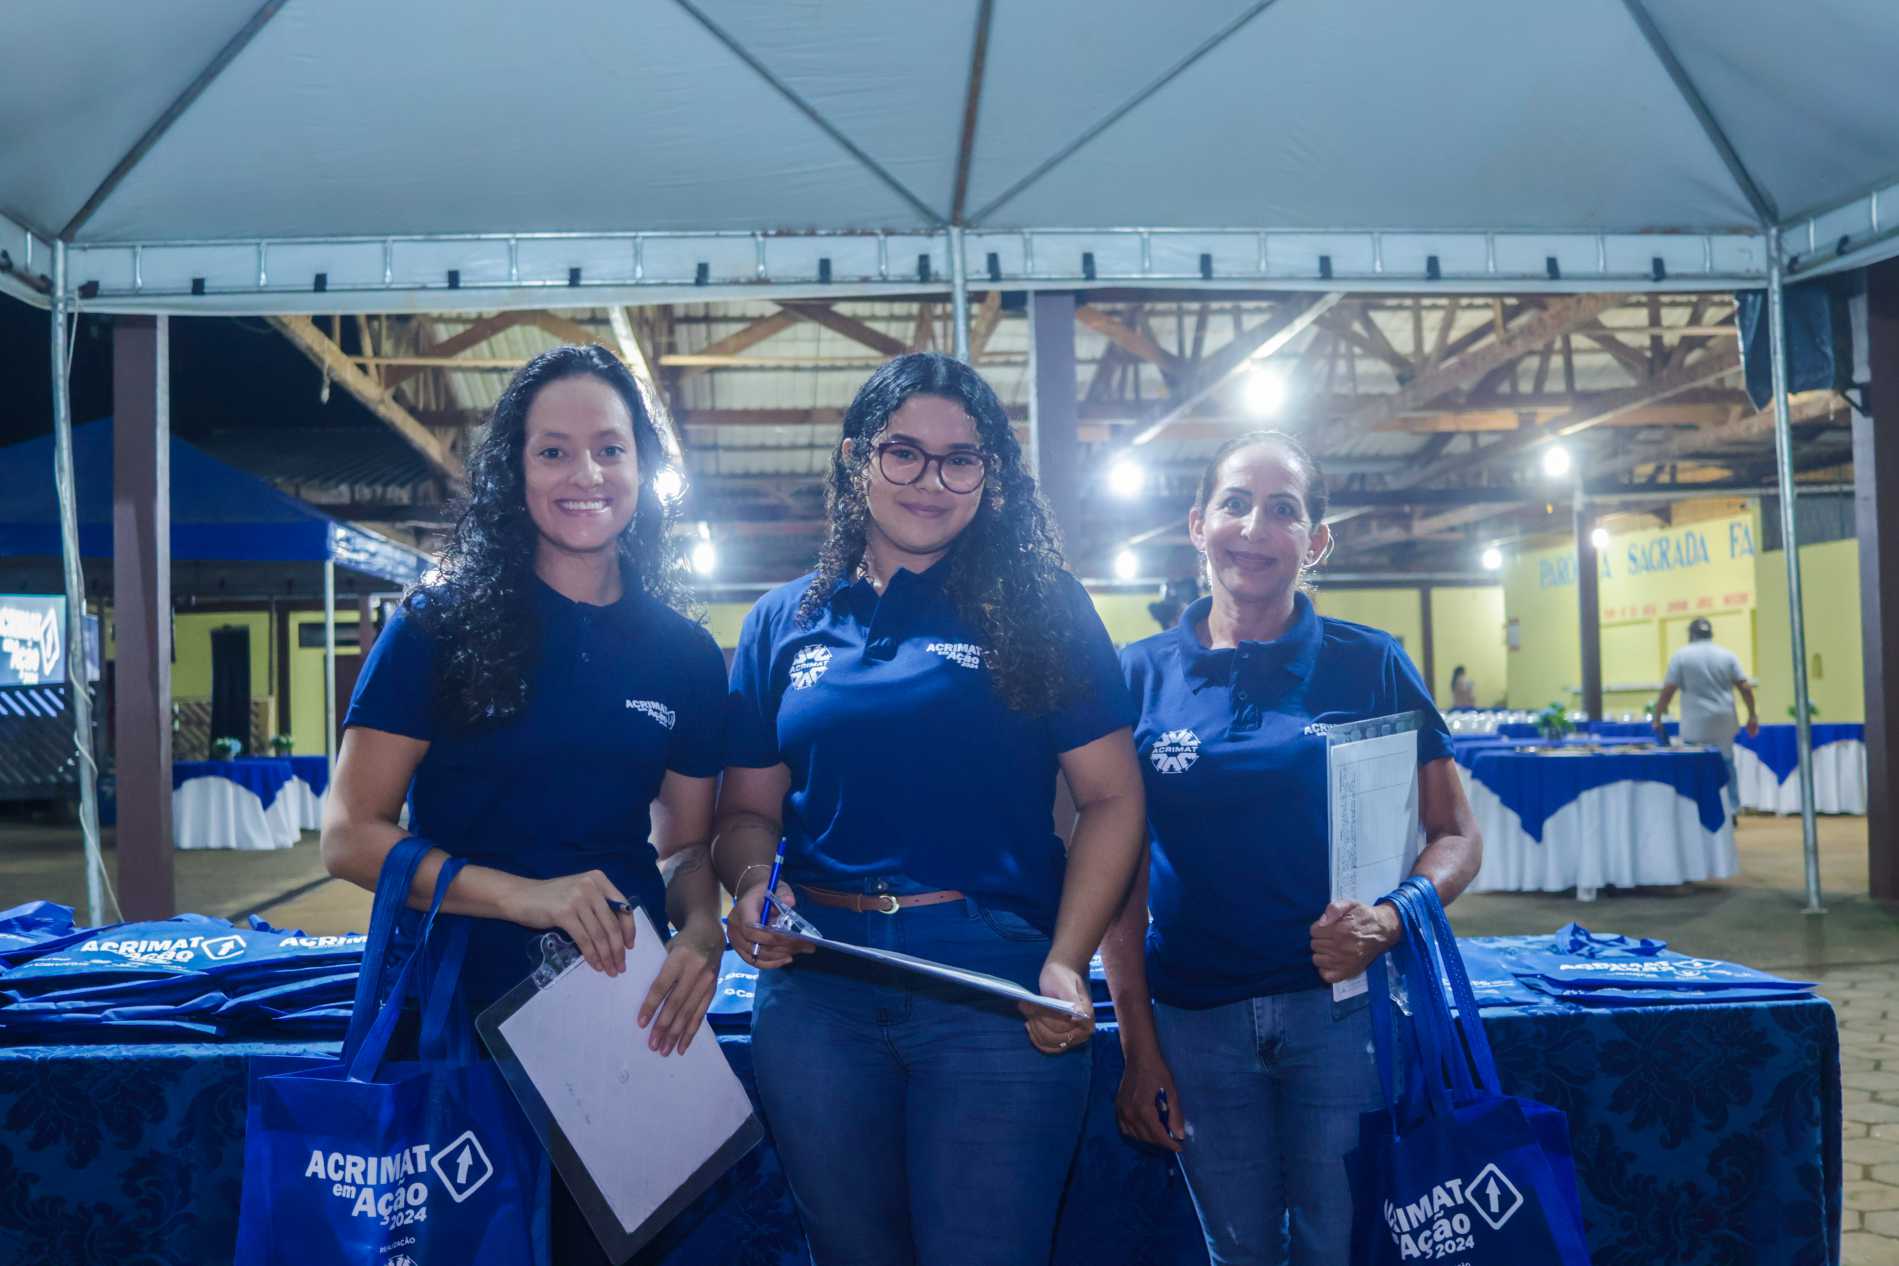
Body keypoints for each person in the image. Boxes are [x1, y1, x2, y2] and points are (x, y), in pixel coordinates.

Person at [713, 352, 1147, 1266]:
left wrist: (1066, 960)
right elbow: (746, 812)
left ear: (990, 477)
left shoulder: (1040, 609)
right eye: (902, 452)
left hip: (990, 989)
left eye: (960, 459)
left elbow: (1112, 800)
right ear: (854, 460)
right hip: (818, 990)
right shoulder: (781, 621)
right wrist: (751, 883)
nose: (929, 481)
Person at [321, 344, 728, 1266]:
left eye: (610, 449)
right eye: (553, 451)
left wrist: (703, 930)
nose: (586, 474)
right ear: (514, 470)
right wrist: (523, 895)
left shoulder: (683, 655)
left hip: (617, 1009)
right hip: (456, 1005)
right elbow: (347, 837)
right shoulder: (435, 627)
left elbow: (685, 848)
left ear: (643, 468)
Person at [1098, 430, 1483, 1266]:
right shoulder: (1137, 676)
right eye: (1234, 504)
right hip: (1193, 1018)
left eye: (1282, 510)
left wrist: (1390, 919)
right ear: (1196, 524)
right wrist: (1137, 1046)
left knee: (1339, 1247)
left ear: (1316, 542)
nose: (1253, 528)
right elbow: (1113, 883)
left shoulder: (1369, 664)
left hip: (1341, 1018)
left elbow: (1455, 834)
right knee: (1235, 1251)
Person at [1654, 616, 1759, 817]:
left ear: (1691, 634)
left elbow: (1668, 690)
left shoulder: (1681, 656)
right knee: (1726, 762)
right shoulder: (1727, 655)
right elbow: (1745, 687)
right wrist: (1752, 715)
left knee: (1696, 764)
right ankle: (1732, 808)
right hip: (1724, 719)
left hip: (1696, 722)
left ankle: (1699, 808)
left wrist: (1657, 716)